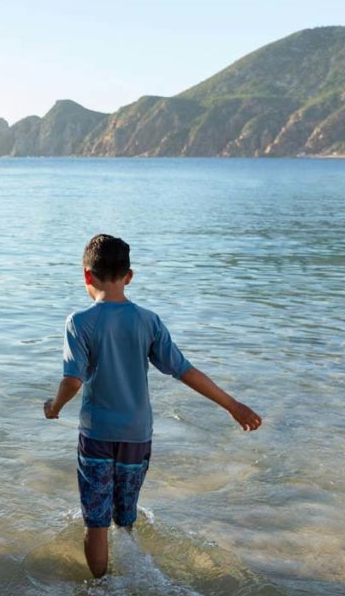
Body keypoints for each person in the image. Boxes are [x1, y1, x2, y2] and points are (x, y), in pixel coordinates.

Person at [43, 234, 261, 578]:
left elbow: (73, 380)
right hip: (137, 436)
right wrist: (232, 405)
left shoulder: (79, 322)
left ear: (87, 275)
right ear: (129, 276)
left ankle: (102, 593)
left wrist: (54, 407)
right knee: (124, 518)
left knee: (95, 522)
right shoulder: (148, 321)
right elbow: (184, 370)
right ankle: (130, 575)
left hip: (97, 435)